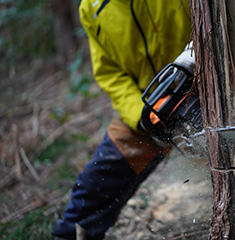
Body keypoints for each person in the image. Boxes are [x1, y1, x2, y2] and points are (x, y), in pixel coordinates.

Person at [52, 0, 193, 239]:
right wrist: (141, 114)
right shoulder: (92, 8)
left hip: (204, 81)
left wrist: (195, 53)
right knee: (99, 179)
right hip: (146, 105)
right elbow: (110, 74)